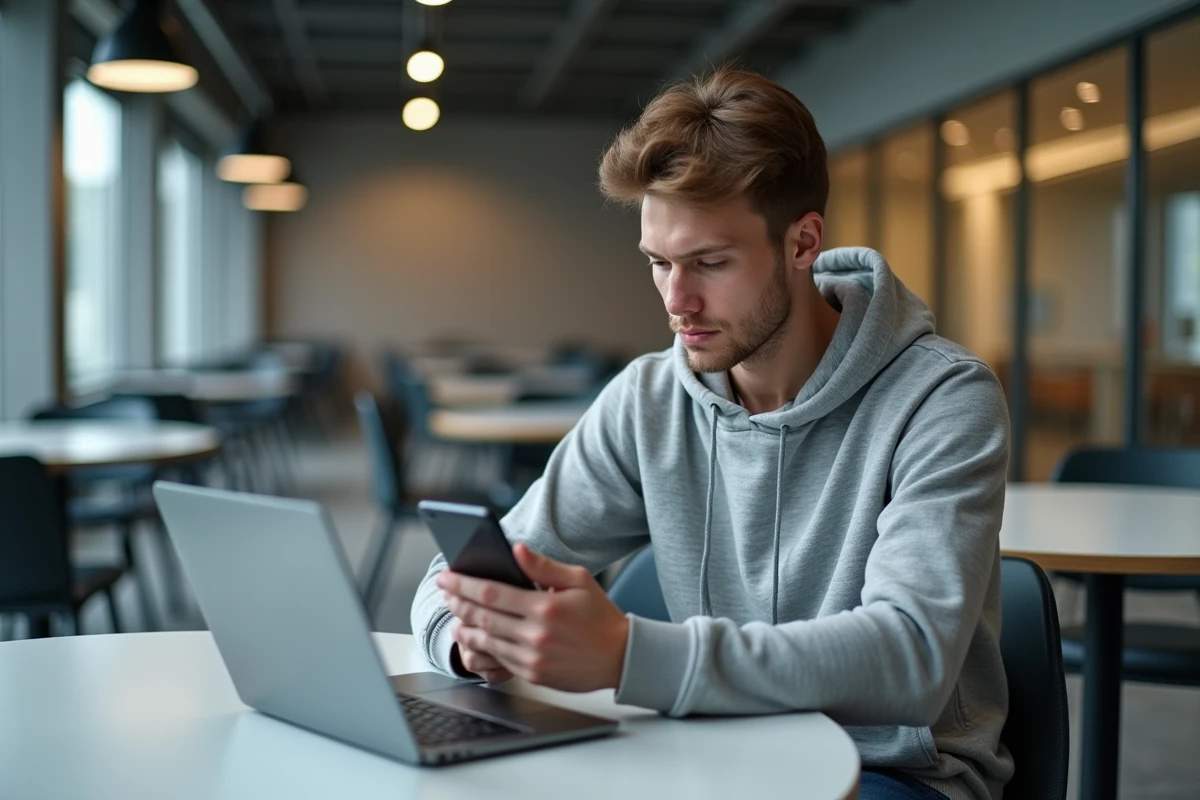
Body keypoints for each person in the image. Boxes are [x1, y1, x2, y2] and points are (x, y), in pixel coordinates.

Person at [412, 66, 1011, 800]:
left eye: (709, 263)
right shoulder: (650, 397)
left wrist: (630, 655)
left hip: (892, 771)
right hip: (714, 750)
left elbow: (911, 661)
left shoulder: (943, 398)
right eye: (659, 263)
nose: (676, 300)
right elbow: (451, 581)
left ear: (802, 243)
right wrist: (473, 641)